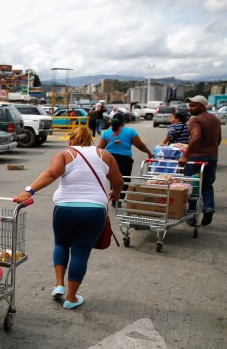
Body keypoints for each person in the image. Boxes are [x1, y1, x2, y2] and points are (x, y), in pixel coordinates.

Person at [16, 126, 123, 309]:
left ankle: (59, 285)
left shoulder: (65, 154)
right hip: (93, 210)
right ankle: (71, 298)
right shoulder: (105, 155)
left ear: (71, 140)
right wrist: (115, 193)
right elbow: (118, 180)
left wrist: (29, 191)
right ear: (90, 140)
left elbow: (51, 174)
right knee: (80, 252)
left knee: (61, 244)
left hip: (65, 209)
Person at [179, 95, 221, 226]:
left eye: (193, 105)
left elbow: (196, 137)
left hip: (196, 159)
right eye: (190, 105)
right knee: (207, 185)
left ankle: (191, 215)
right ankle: (208, 208)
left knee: (192, 186)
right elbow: (218, 139)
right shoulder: (215, 119)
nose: (190, 108)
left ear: (202, 106)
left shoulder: (195, 120)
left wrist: (186, 155)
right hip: (212, 157)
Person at [98, 114, 153, 203]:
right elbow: (140, 145)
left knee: (113, 178)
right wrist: (148, 152)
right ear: (123, 121)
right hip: (125, 160)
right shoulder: (130, 131)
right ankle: (119, 199)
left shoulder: (107, 133)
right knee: (125, 179)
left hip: (110, 159)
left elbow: (100, 148)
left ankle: (114, 197)